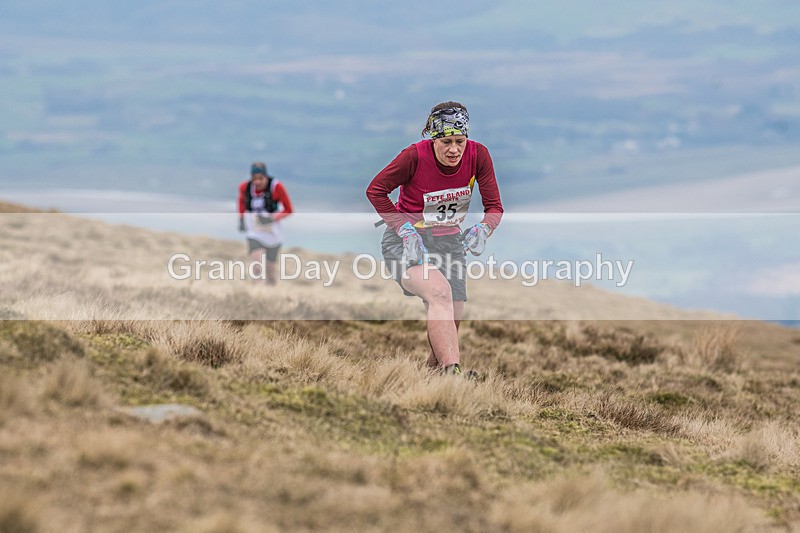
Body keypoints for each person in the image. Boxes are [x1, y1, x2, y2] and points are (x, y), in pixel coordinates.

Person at [366, 102, 503, 376]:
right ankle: (455, 375)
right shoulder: (413, 156)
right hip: (407, 244)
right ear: (434, 138)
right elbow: (375, 190)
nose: (454, 150)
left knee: (453, 315)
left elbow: (495, 208)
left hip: (450, 244)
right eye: (446, 142)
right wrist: (403, 228)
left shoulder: (479, 156)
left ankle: (433, 376)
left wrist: (484, 229)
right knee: (439, 292)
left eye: (460, 141)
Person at [238, 161, 294, 285]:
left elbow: (289, 209)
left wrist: (272, 218)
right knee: (256, 265)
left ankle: (271, 294)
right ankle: (255, 296)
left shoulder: (276, 187)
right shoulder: (245, 188)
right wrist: (241, 219)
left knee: (270, 271)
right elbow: (241, 203)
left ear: (265, 176)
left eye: (260, 179)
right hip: (254, 232)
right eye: (254, 179)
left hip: (273, 233)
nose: (257, 182)